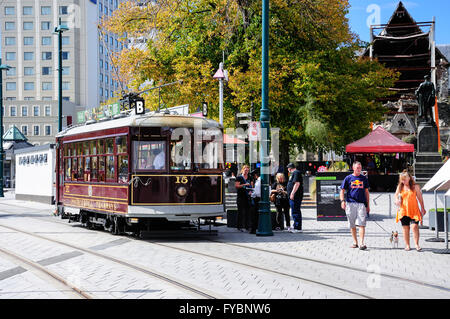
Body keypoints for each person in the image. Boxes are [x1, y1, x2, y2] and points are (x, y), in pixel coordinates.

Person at [340, 161, 370, 250]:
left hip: (361, 204)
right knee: (352, 224)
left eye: (360, 168)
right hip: (350, 203)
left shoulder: (363, 178)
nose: (359, 169)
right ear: (353, 168)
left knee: (361, 224)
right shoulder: (348, 178)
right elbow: (342, 190)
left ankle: (361, 243)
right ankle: (355, 242)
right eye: (357, 168)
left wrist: (368, 205)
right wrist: (342, 201)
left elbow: (366, 192)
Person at [394, 170, 426, 251]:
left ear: (409, 178)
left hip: (414, 210)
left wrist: (422, 208)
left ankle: (416, 244)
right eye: (402, 179)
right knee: (405, 228)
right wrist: (396, 201)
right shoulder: (400, 187)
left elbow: (420, 198)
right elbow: (396, 197)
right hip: (403, 211)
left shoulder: (415, 187)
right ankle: (407, 245)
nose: (403, 181)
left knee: (415, 227)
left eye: (405, 179)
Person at [286, 163, 303, 233]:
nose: (288, 170)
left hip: (296, 196)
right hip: (294, 196)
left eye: (288, 169)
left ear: (290, 168)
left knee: (295, 211)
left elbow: (297, 183)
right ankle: (296, 226)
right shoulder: (295, 173)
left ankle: (297, 227)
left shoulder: (296, 173)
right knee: (294, 210)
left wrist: (292, 193)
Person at [235, 165, 252, 232]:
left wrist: (251, 191)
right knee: (241, 212)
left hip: (247, 196)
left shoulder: (250, 177)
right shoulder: (239, 177)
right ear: (242, 170)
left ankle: (247, 226)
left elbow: (251, 185)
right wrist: (244, 185)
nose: (246, 171)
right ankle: (240, 226)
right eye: (245, 170)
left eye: (247, 170)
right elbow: (236, 186)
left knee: (248, 212)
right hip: (241, 196)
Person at [249, 169, 261, 234]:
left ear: (255, 175)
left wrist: (252, 194)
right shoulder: (262, 180)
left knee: (254, 215)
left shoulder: (258, 181)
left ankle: (253, 229)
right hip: (259, 199)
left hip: (257, 199)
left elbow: (257, 192)